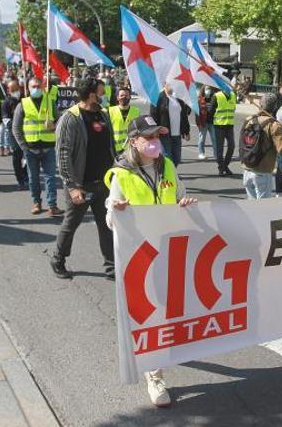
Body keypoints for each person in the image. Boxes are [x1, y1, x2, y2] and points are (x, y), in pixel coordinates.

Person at [104, 115, 198, 407]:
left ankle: (152, 355)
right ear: (134, 142)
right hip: (140, 256)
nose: (155, 142)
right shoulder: (122, 175)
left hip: (169, 250)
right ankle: (154, 376)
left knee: (170, 310)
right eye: (149, 137)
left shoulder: (167, 165)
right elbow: (110, 219)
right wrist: (117, 211)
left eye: (157, 136)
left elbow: (180, 196)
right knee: (151, 315)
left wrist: (184, 204)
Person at [51, 77, 116, 280]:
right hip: (81, 185)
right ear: (90, 94)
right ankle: (58, 259)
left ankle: (112, 266)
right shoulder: (70, 118)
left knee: (107, 226)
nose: (104, 96)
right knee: (71, 225)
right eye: (101, 92)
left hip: (103, 184)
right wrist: (72, 186)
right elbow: (63, 155)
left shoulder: (103, 116)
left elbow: (111, 148)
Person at [13, 77, 63, 216]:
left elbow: (61, 122)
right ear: (28, 88)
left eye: (38, 86)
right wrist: (23, 146)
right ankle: (36, 202)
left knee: (50, 178)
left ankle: (52, 205)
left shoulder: (50, 102)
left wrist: (54, 125)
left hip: (48, 147)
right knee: (33, 178)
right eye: (33, 86)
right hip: (30, 149)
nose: (36, 89)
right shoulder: (22, 104)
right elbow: (16, 127)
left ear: (42, 87)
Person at [240, 105, 282, 200]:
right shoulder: (273, 125)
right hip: (262, 172)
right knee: (263, 208)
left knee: (253, 207)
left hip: (247, 169)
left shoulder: (249, 120)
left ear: (260, 106)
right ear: (274, 109)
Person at [150, 84, 191, 165]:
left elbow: (184, 116)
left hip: (177, 134)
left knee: (177, 159)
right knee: (167, 158)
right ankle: (168, 176)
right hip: (164, 134)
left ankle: (169, 173)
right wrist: (155, 130)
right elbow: (153, 116)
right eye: (170, 83)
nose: (172, 85)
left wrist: (186, 131)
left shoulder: (179, 98)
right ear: (165, 84)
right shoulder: (158, 98)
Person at [2, 80, 28, 190]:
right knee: (17, 157)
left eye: (17, 89)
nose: (15, 91)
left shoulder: (26, 99)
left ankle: (25, 175)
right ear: (8, 90)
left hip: (29, 133)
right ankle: (20, 180)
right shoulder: (6, 103)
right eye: (13, 89)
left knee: (29, 156)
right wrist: (18, 124)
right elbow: (6, 121)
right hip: (14, 134)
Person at [210, 86, 237, 176]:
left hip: (229, 125)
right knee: (219, 148)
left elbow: (233, 108)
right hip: (219, 125)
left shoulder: (233, 95)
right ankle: (221, 167)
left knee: (232, 146)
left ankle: (224, 166)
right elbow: (211, 111)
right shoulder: (216, 96)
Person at [108, 87, 140, 155]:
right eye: (121, 95)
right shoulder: (110, 111)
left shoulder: (136, 111)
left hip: (130, 147)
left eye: (126, 95)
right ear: (117, 98)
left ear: (130, 97)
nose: (124, 97)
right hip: (114, 148)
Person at [195, 87, 216, 160]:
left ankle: (216, 154)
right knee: (202, 139)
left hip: (212, 122)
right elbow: (197, 112)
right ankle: (201, 153)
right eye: (207, 89)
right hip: (203, 122)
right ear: (203, 89)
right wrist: (198, 123)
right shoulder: (199, 99)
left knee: (214, 139)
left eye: (209, 89)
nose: (208, 91)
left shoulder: (214, 97)